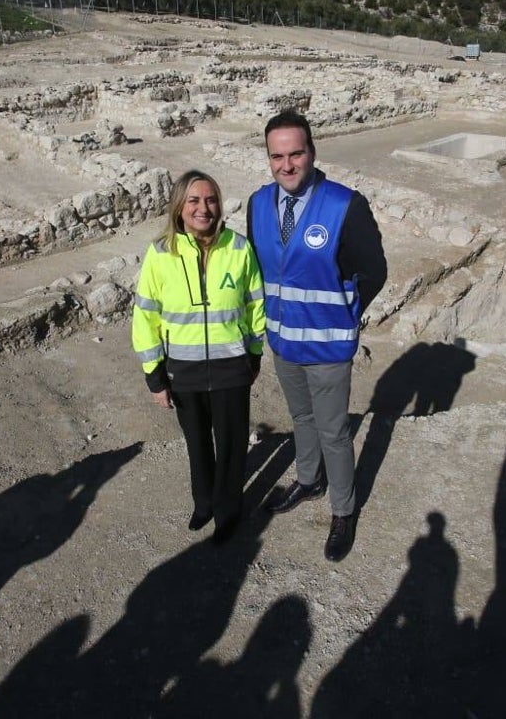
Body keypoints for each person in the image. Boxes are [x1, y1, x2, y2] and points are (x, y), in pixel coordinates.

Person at [247, 109, 387, 562]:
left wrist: (347, 314)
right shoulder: (257, 204)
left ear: (312, 152)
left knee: (333, 431)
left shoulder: (345, 205)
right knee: (301, 419)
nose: (287, 165)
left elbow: (375, 271)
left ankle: (344, 510)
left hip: (327, 345)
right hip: (283, 341)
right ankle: (309, 481)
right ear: (268, 158)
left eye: (296, 154)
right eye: (277, 156)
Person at [132, 170, 266, 543]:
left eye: (210, 200)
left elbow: (256, 304)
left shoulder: (238, 248)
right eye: (193, 201)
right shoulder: (160, 254)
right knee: (197, 443)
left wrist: (254, 355)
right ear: (179, 207)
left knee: (232, 443)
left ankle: (227, 512)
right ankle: (203, 503)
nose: (203, 208)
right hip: (183, 370)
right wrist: (154, 376)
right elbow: (146, 316)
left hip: (230, 367)